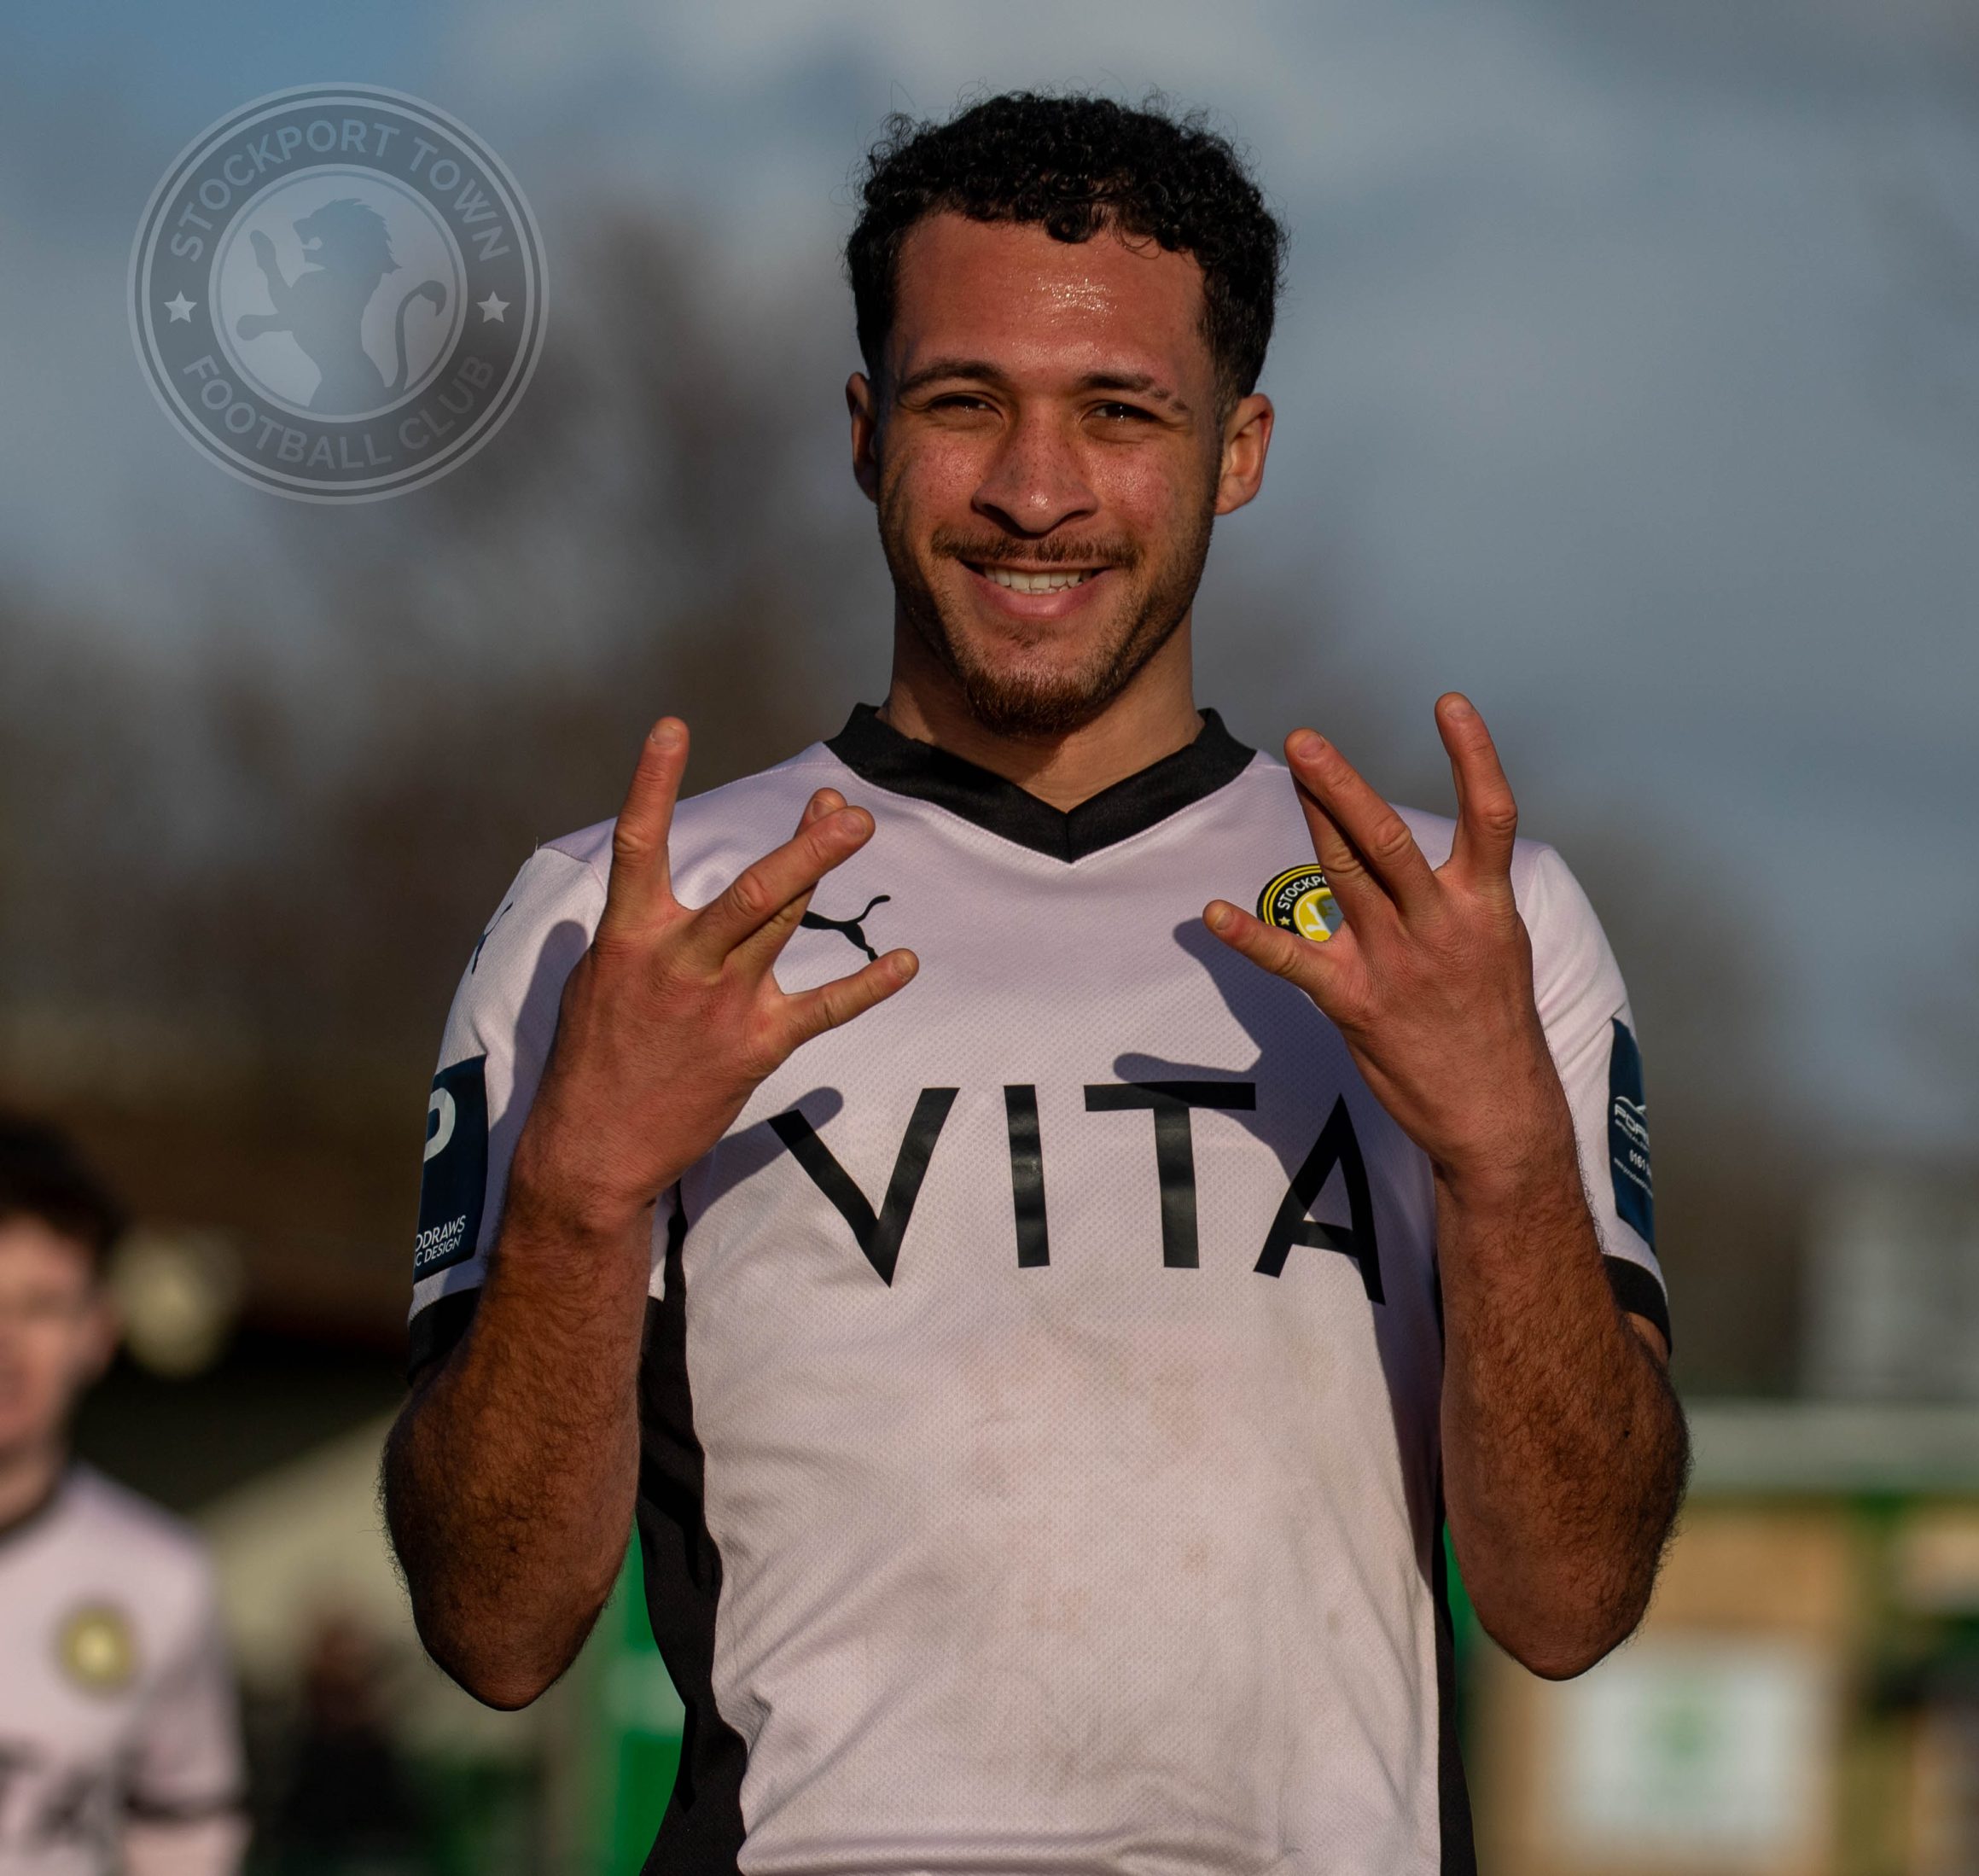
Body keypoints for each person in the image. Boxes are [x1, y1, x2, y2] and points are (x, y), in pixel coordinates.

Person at [384, 93, 1687, 1873]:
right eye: (963, 403)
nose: (1035, 489)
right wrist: (577, 1196)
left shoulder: (1463, 919)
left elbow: (1571, 1601)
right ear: (866, 433)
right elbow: (494, 1629)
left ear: (1238, 448)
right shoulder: (619, 918)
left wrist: (1509, 1160)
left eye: (1119, 412)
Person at [0, 1117, 247, 1876]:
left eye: (41, 1307)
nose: (5, 1349)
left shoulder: (162, 1577)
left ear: (98, 1331)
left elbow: (187, 1842)